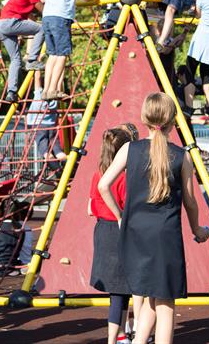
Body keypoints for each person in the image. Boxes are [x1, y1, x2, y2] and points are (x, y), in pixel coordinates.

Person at [98, 93, 209, 344]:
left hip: (135, 235)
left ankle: (138, 341)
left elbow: (104, 185)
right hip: (164, 237)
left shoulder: (130, 149)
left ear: (144, 119)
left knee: (150, 294)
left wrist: (119, 217)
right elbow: (190, 202)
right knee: (166, 304)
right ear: (173, 122)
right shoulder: (182, 156)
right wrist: (197, 230)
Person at [89, 126, 137, 344]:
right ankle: (112, 339)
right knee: (120, 290)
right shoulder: (124, 178)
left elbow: (90, 207)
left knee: (120, 290)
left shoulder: (98, 173)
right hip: (118, 231)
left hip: (102, 230)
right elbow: (129, 207)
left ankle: (119, 334)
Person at [42, 0, 105, 100]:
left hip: (47, 17)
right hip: (60, 18)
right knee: (62, 54)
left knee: (52, 55)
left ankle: (46, 90)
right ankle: (52, 90)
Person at [0, 0, 47, 103]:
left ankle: (11, 92)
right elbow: (43, 10)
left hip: (0, 25)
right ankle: (32, 59)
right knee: (41, 28)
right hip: (10, 23)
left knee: (15, 59)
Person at [27, 70, 67, 166]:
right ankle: (68, 167)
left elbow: (37, 78)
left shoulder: (39, 94)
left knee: (45, 152)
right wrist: (61, 69)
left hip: (38, 125)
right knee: (57, 150)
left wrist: (37, 65)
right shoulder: (55, 97)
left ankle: (58, 171)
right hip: (51, 126)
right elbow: (58, 83)